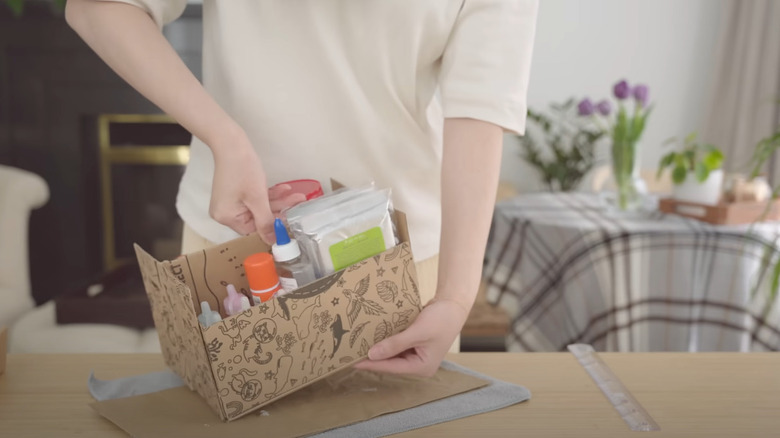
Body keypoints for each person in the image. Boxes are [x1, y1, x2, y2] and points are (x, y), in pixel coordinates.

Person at [66, 0, 538, 376]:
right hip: (233, 253)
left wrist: (455, 298)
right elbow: (97, 6)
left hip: (405, 269)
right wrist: (225, 138)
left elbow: (481, 105)